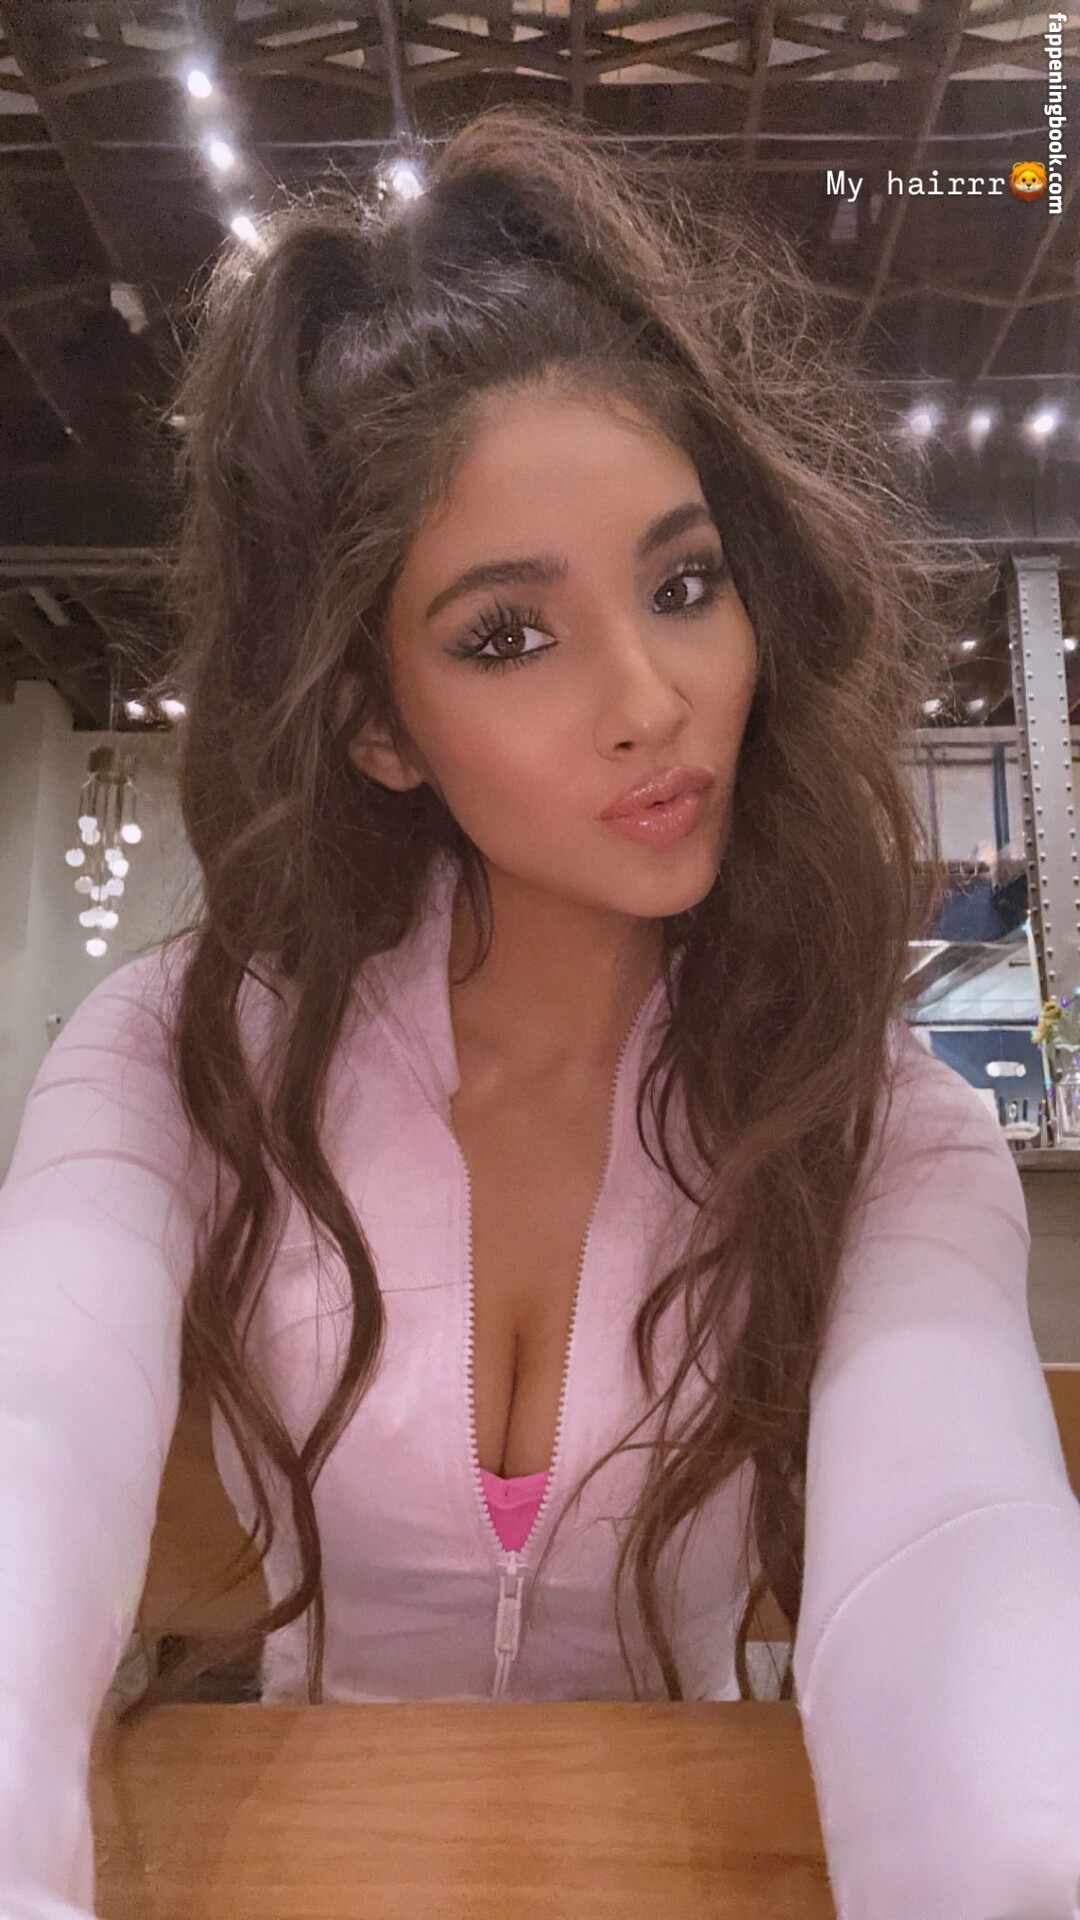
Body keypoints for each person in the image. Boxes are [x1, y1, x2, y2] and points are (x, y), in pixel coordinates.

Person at [1, 102, 1078, 1920]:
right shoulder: (184, 1060)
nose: (653, 698)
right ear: (376, 723)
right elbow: (29, 1435)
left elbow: (954, 1553)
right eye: (509, 634)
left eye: (685, 585)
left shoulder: (867, 1118)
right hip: (309, 1869)